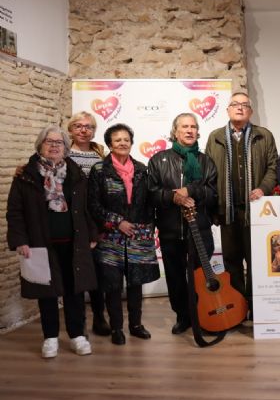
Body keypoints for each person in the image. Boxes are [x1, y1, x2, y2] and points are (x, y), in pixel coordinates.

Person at [6, 126, 97, 358]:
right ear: (40, 145)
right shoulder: (26, 175)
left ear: (66, 147)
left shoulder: (76, 174)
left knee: (74, 290)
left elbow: (86, 208)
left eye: (59, 142)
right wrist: (20, 240)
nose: (54, 146)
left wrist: (92, 234)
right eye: (49, 141)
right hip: (40, 243)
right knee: (46, 292)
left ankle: (77, 335)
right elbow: (15, 212)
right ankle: (50, 337)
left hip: (73, 243)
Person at [205, 92, 278, 319]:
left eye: (244, 105)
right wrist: (213, 209)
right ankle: (237, 307)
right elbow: (209, 174)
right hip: (227, 211)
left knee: (256, 261)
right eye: (235, 104)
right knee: (231, 262)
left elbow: (273, 167)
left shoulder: (263, 136)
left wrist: (263, 189)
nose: (239, 108)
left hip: (255, 212)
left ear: (251, 111)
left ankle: (256, 308)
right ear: (228, 110)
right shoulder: (215, 137)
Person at [88, 124, 159, 345]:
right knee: (112, 285)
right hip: (110, 237)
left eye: (126, 139)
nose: (122, 143)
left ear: (131, 142)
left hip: (138, 235)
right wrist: (118, 222)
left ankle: (136, 325)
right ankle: (117, 328)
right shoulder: (99, 170)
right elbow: (93, 205)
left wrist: (148, 227)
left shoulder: (142, 169)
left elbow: (149, 203)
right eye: (117, 140)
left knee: (136, 283)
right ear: (110, 144)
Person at [148, 113, 217, 335]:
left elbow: (213, 193)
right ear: (175, 132)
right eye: (184, 127)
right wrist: (173, 197)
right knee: (175, 277)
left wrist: (191, 190)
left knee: (200, 276)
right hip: (170, 230)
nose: (189, 130)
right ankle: (183, 317)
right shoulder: (158, 160)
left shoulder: (206, 161)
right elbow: (151, 193)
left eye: (193, 127)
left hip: (200, 229)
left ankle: (203, 315)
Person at [66, 111, 110, 336]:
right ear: (70, 129)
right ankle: (78, 322)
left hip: (96, 220)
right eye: (78, 126)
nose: (84, 130)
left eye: (89, 127)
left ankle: (99, 317)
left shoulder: (101, 154)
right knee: (74, 272)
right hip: (70, 221)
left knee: (98, 273)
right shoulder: (62, 153)